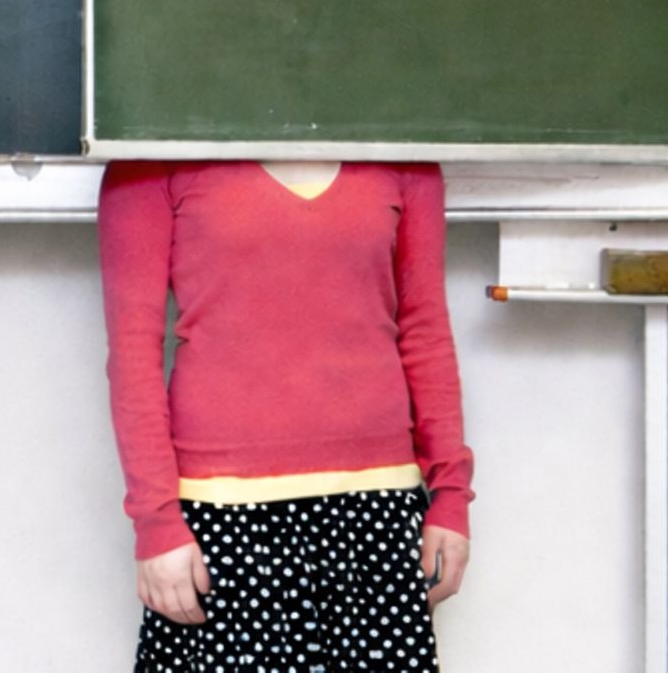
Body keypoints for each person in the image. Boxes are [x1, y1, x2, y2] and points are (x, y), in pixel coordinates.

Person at [98, 158, 474, 672]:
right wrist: (157, 521)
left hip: (377, 512)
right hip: (222, 514)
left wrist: (450, 496)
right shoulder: (149, 157)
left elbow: (424, 329)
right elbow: (132, 353)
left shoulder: (401, 153)